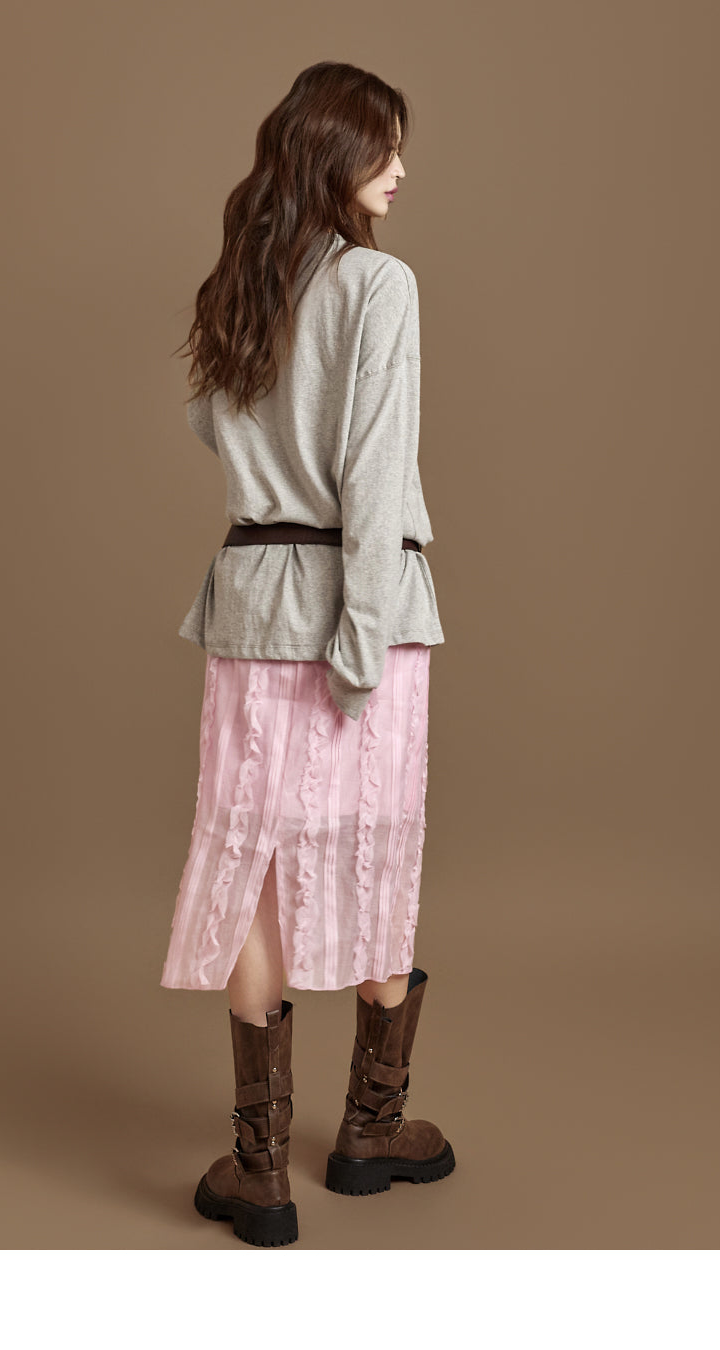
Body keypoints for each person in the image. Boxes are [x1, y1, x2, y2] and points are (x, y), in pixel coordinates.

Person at [160, 60, 454, 1248]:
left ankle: (259, 1173)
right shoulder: (378, 284)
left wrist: (270, 452)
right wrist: (362, 637)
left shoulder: (244, 283)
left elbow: (208, 418)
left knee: (251, 855)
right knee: (374, 840)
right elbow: (374, 470)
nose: (401, 169)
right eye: (384, 147)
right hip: (356, 597)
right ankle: (370, 1132)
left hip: (251, 599)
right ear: (336, 155)